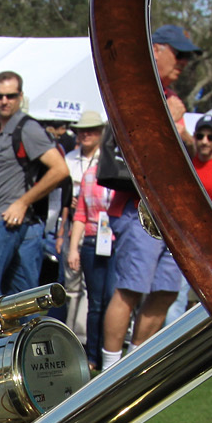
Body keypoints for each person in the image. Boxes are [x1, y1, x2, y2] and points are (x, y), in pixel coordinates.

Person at [99, 27, 202, 369]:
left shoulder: (170, 96)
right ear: (156, 50)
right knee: (130, 289)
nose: (185, 62)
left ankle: (134, 363)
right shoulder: (132, 87)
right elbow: (133, 146)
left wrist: (182, 132)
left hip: (170, 210)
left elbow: (186, 156)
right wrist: (170, 120)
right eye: (180, 53)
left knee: (168, 291)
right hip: (137, 207)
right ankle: (111, 370)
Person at [0, 71, 65, 323]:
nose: (4, 101)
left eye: (10, 95)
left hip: (9, 222)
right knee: (21, 302)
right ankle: (12, 359)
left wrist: (22, 202)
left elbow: (60, 169)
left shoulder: (27, 128)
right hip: (9, 222)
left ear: (20, 97)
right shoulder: (1, 130)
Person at [62, 111, 115, 369]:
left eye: (93, 130)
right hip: (93, 241)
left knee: (113, 298)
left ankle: (110, 352)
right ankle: (93, 355)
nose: (86, 134)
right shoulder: (89, 174)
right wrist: (74, 247)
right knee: (95, 302)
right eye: (83, 130)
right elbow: (80, 213)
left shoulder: (119, 172)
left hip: (116, 241)